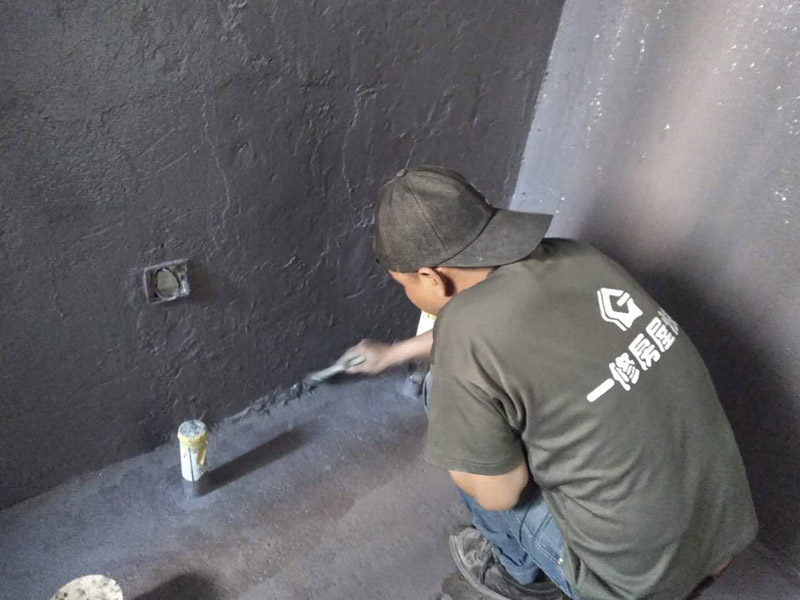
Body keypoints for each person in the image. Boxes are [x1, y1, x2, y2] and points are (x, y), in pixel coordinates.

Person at [340, 167, 758, 600]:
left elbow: (499, 495)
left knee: (453, 415)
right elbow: (490, 332)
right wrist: (393, 353)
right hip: (724, 534)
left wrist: (459, 444)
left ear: (431, 277)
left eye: (404, 284)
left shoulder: (465, 334)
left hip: (633, 584)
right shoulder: (577, 258)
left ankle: (519, 579)